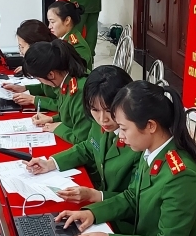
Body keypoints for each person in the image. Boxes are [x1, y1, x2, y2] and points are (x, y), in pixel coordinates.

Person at [56, 81, 196, 236]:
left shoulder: (181, 176)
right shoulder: (151, 151)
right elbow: (132, 196)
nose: (120, 135)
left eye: (124, 128)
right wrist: (92, 213)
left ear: (150, 126)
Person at [25, 64, 138, 204]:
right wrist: (50, 163)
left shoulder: (138, 140)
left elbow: (135, 199)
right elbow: (89, 148)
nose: (102, 119)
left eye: (109, 110)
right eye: (95, 110)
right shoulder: (100, 123)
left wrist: (97, 196)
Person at [22, 39, 90, 145]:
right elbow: (71, 115)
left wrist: (58, 128)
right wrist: (52, 119)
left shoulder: (79, 92)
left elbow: (81, 139)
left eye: (39, 78)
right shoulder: (68, 79)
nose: (41, 82)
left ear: (51, 75)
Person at [47, 0, 93, 69]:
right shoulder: (60, 38)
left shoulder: (78, 47)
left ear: (67, 20)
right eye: (49, 22)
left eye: (52, 22)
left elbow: (75, 71)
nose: (49, 27)